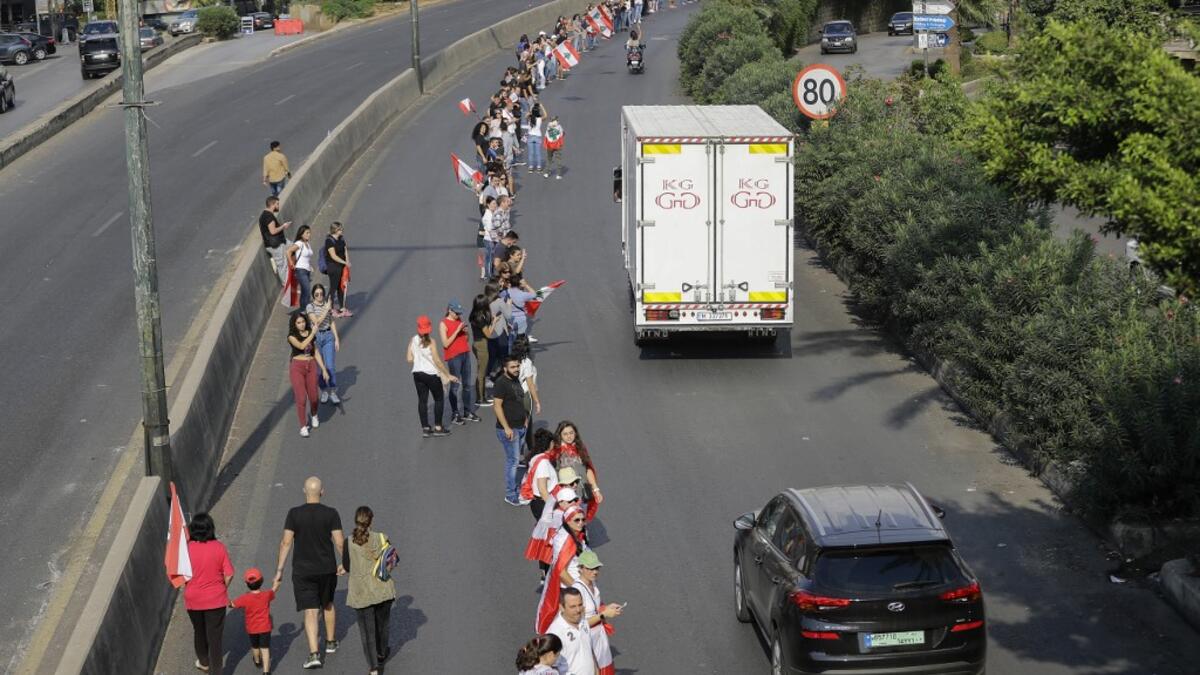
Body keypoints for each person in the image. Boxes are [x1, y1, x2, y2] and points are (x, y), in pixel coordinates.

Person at [273, 476, 346, 670]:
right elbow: (339, 542)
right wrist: (347, 564)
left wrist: (279, 570)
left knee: (311, 611)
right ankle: (330, 642)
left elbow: (286, 543)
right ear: (322, 492)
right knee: (328, 604)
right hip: (327, 569)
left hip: (303, 571)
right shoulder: (331, 513)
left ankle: (314, 654)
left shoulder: (294, 514)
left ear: (304, 491)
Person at [344, 506, 396, 675]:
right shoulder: (381, 538)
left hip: (361, 593)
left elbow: (346, 566)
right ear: (371, 521)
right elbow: (390, 560)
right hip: (382, 590)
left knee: (367, 632)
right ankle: (381, 653)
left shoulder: (349, 541)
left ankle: (373, 668)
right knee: (383, 625)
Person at [183, 513, 233, 674]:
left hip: (193, 599)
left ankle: (204, 662)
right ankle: (216, 671)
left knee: (199, 631)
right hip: (215, 599)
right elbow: (229, 573)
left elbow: (179, 572)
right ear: (210, 529)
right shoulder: (218, 547)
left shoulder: (186, 549)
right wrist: (221, 588)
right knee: (215, 638)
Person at [536, 504, 588, 633]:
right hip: (569, 589)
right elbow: (561, 571)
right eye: (577, 520)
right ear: (567, 520)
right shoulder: (566, 541)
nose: (581, 523)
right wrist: (580, 589)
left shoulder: (577, 534)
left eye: (583, 519)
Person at [572, 551, 622, 675]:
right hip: (586, 640)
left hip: (599, 636)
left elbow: (594, 608)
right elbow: (577, 624)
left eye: (597, 568)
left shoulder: (592, 584)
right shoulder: (576, 591)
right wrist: (603, 615)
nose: (595, 572)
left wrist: (606, 608)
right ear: (581, 568)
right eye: (590, 568)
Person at [408, 315, 457, 437]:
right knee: (439, 399)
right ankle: (438, 427)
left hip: (417, 374)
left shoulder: (413, 340)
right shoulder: (431, 342)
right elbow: (437, 361)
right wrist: (448, 374)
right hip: (431, 374)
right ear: (429, 328)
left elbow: (409, 359)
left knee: (422, 400)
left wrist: (419, 357)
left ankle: (425, 428)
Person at [229, 568, 280, 675]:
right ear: (261, 581)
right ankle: (266, 672)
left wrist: (225, 599)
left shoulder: (245, 598)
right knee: (265, 649)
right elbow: (274, 589)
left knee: (255, 646)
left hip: (252, 628)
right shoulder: (266, 595)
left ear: (247, 583)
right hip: (265, 627)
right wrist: (276, 581)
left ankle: (257, 660)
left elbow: (232, 604)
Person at [493, 355, 529, 506]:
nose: (516, 369)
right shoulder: (501, 383)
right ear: (505, 368)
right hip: (510, 430)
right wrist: (507, 428)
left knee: (514, 459)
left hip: (520, 426)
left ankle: (515, 488)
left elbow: (519, 400)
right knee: (512, 461)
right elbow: (497, 406)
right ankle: (510, 494)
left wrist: (525, 419)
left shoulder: (515, 379)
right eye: (513, 367)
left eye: (517, 366)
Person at [288, 311, 329, 438]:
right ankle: (303, 426)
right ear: (294, 324)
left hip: (311, 365)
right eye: (298, 322)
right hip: (297, 367)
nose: (301, 324)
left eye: (303, 322)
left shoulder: (309, 333)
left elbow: (315, 351)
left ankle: (314, 414)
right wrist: (313, 332)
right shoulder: (291, 336)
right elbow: (301, 345)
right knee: (301, 398)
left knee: (314, 397)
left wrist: (323, 369)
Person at [440, 300, 480, 425]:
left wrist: (466, 332)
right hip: (454, 357)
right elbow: (445, 343)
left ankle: (467, 411)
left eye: (459, 313)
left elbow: (466, 340)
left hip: (465, 354)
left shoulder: (459, 320)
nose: (458, 315)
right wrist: (457, 331)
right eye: (456, 313)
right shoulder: (443, 324)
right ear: (450, 311)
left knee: (467, 385)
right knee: (455, 386)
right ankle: (455, 413)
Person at [552, 421, 603, 520]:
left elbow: (587, 468)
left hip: (582, 494)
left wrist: (596, 489)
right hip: (566, 497)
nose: (569, 436)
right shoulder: (556, 451)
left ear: (575, 433)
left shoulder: (580, 447)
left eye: (571, 433)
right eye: (565, 434)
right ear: (560, 435)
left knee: (581, 521)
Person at [546, 587, 597, 675]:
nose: (578, 610)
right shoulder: (555, 633)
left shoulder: (583, 621)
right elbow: (550, 667)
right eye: (573, 606)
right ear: (561, 607)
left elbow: (589, 650)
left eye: (580, 605)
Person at [306, 285, 341, 406]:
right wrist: (326, 309)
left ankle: (332, 391)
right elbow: (316, 321)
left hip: (328, 336)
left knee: (330, 366)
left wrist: (336, 339)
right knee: (319, 370)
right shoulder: (310, 307)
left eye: (321, 294)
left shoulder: (327, 305)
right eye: (317, 294)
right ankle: (324, 390)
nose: (320, 297)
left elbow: (331, 321)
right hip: (316, 339)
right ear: (313, 295)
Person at [469, 294, 505, 406]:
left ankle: (482, 395)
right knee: (482, 372)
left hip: (477, 343)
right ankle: (480, 399)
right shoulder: (480, 318)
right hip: (482, 345)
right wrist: (494, 323)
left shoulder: (475, 315)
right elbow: (488, 334)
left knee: (482, 370)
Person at [259, 196, 291, 283]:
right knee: (282, 266)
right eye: (277, 204)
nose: (278, 206)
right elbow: (272, 231)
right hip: (275, 246)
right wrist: (284, 226)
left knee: (294, 247)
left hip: (278, 242)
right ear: (272, 204)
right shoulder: (269, 217)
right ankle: (286, 285)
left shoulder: (263, 215)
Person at [324, 222, 352, 317]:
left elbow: (345, 250)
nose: (341, 230)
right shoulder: (329, 241)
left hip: (341, 266)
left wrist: (347, 261)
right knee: (333, 287)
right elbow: (333, 256)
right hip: (333, 267)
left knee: (341, 287)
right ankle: (330, 308)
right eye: (339, 229)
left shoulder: (341, 238)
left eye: (341, 229)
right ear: (335, 230)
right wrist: (344, 262)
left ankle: (342, 308)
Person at [287, 224, 316, 310]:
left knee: (304, 291)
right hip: (300, 270)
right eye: (307, 233)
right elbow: (288, 251)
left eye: (309, 233)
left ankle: (304, 309)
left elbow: (306, 257)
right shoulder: (299, 243)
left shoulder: (307, 244)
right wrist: (291, 262)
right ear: (301, 234)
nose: (309, 234)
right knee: (307, 290)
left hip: (307, 270)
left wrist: (310, 266)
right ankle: (304, 309)